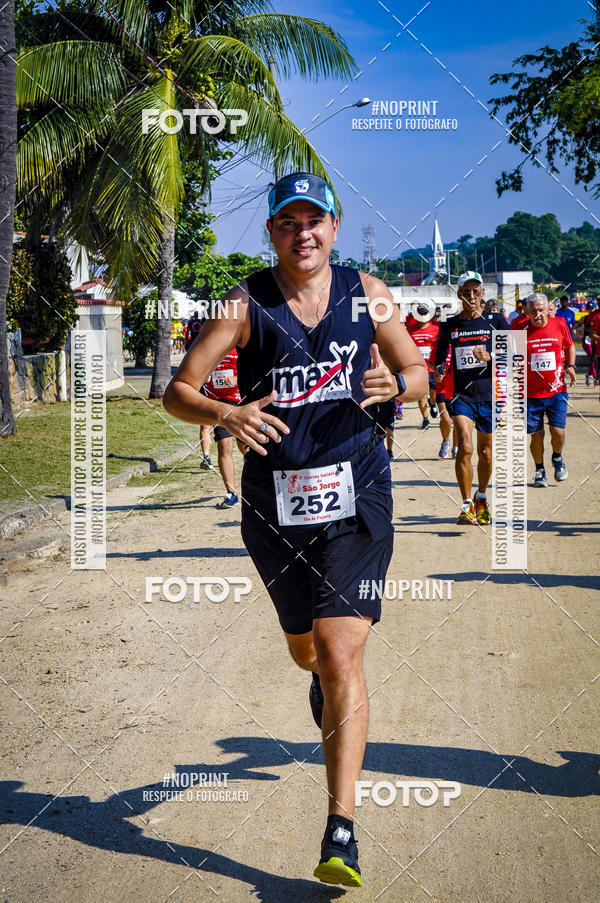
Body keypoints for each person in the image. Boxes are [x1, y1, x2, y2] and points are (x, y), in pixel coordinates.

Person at [163, 171, 428, 888]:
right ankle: (321, 677)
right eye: (288, 222)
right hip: (274, 504)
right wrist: (226, 414)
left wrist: (396, 385)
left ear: (335, 227)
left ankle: (340, 827)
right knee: (306, 650)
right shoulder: (243, 302)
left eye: (315, 221)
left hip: (358, 492)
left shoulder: (368, 292)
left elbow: (416, 370)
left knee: (343, 652)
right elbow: (177, 390)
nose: (302, 233)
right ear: (273, 231)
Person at [434, 271, 509, 526]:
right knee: (465, 446)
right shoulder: (450, 325)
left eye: (476, 291)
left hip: (488, 394)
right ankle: (466, 505)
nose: (472, 296)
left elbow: (513, 353)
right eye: (466, 292)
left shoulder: (496, 321)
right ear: (459, 295)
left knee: (486, 452)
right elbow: (440, 355)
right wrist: (439, 368)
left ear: (483, 294)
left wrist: (490, 356)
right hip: (461, 395)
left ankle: (481, 497)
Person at [517, 293, 576, 486]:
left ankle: (557, 458)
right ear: (526, 311)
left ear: (548, 309)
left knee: (558, 431)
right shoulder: (518, 328)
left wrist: (571, 365)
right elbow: (508, 354)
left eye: (541, 310)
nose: (538, 314)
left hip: (557, 390)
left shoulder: (559, 324)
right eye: (533, 311)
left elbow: (569, 346)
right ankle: (539, 470)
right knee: (537, 434)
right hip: (529, 393)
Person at [203, 349, 245, 508]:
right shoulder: (210, 346)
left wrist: (236, 379)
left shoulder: (240, 345)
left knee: (244, 447)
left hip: (240, 401)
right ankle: (231, 493)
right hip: (218, 403)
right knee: (224, 444)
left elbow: (256, 370)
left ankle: (257, 480)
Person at [406, 303, 440, 429]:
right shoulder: (411, 328)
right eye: (420, 313)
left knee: (434, 393)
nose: (422, 315)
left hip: (432, 368)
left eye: (425, 313)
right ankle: (425, 419)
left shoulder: (435, 329)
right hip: (418, 369)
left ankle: (433, 403)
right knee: (421, 395)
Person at [582, 300, 598, 386]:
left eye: (592, 308)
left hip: (594, 339)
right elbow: (586, 328)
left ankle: (590, 374)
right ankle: (593, 376)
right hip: (587, 339)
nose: (591, 310)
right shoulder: (586, 318)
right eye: (589, 308)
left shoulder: (597, 317)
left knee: (594, 358)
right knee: (592, 357)